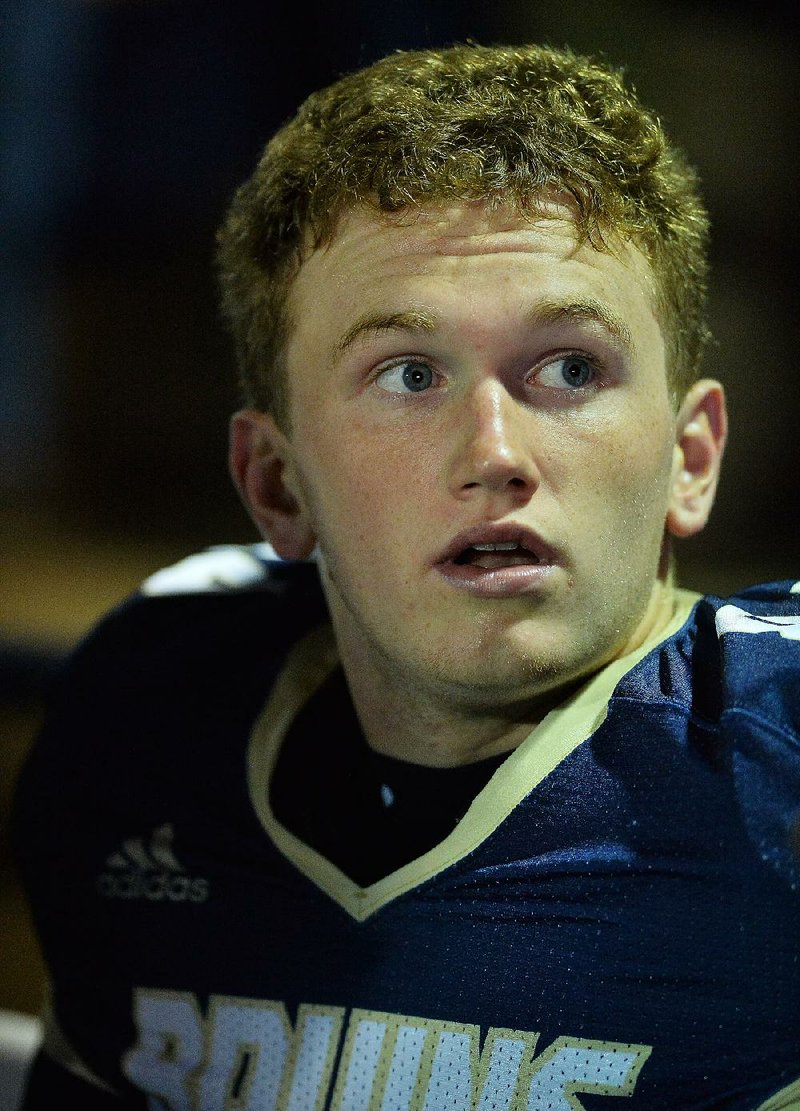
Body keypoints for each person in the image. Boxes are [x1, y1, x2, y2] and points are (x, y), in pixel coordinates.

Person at [12, 42, 800, 1110]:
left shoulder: (775, 740)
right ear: (277, 485)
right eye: (408, 374)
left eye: (569, 367)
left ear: (689, 457)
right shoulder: (147, 720)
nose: (493, 452)